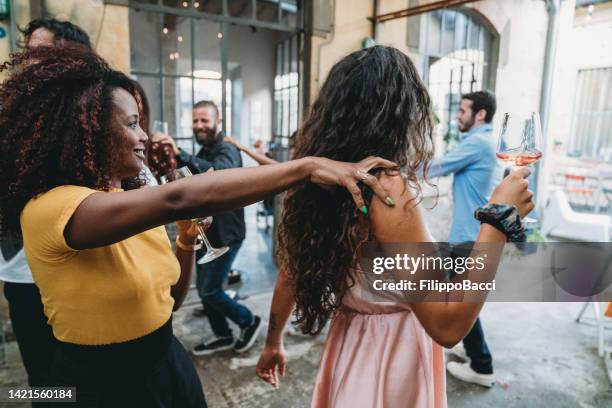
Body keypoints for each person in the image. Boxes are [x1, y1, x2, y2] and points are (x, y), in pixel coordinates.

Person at [0, 44, 396, 407]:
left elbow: (170, 300)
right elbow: (181, 197)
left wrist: (188, 241)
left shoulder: (129, 201)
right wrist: (307, 167)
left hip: (166, 364)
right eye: (132, 123)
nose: (143, 136)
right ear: (86, 131)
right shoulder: (49, 208)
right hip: (99, 384)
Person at [255, 46, 533, 407]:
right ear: (401, 114)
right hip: (391, 355)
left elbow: (290, 272)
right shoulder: (386, 190)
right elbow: (447, 326)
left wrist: (273, 342)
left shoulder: (322, 178)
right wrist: (498, 221)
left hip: (352, 341)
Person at [0, 17, 92, 389]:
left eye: (41, 53)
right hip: (21, 273)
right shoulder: (11, 116)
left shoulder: (85, 117)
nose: (29, 61)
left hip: (73, 267)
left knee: (82, 372)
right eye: (28, 52)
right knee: (43, 378)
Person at [153, 101, 262, 355]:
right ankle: (222, 335)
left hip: (226, 235)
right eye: (195, 121)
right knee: (205, 290)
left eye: (204, 120)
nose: (199, 125)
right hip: (206, 233)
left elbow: (219, 175)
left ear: (218, 122)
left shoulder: (227, 149)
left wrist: (179, 152)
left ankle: (249, 321)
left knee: (209, 290)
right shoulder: (203, 152)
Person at [427, 90, 501, 387]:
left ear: (480, 114)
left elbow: (435, 167)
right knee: (459, 295)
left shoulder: (478, 143)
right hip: (473, 234)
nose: (459, 114)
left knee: (459, 299)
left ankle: (482, 367)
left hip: (468, 237)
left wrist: (392, 168)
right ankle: (472, 350)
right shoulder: (491, 140)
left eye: (464, 110)